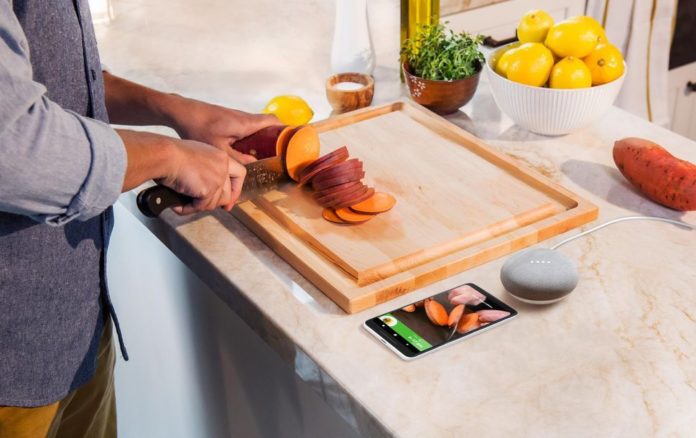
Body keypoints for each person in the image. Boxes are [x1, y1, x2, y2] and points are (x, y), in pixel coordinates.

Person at [0, 1, 277, 436]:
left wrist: (169, 108)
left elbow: (47, 79)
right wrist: (167, 155)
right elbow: (16, 148)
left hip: (75, 328)